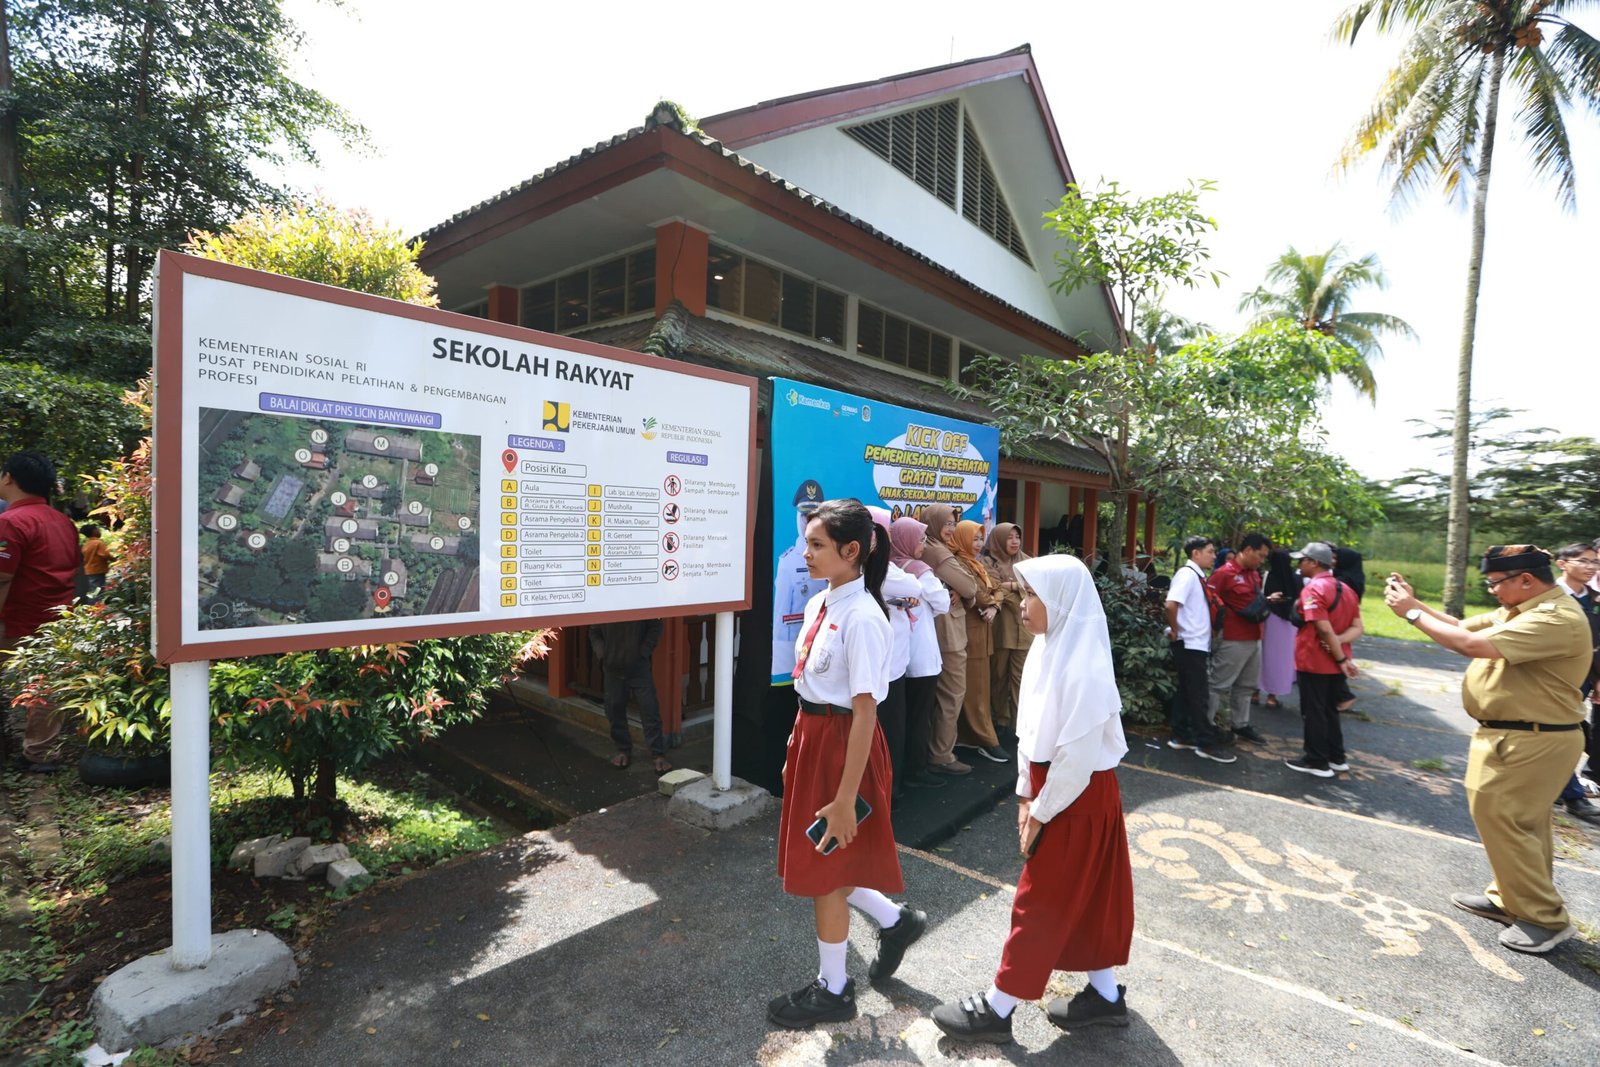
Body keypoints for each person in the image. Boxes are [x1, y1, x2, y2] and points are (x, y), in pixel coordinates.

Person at [930, 553, 1134, 1043]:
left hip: (1077, 795)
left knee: (1039, 901)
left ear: (1062, 602)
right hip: (1058, 790)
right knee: (1085, 896)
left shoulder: (1085, 667)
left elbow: (1077, 758)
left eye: (1033, 595)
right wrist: (1026, 794)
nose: (1022, 605)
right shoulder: (1048, 647)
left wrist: (1040, 811)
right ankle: (1105, 996)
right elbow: (1031, 733)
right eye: (1022, 594)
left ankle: (998, 1007)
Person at [1385, 545, 1590, 954]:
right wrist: (1414, 604)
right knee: (1520, 824)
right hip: (1516, 735)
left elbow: (1469, 645)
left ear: (1526, 580)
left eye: (1496, 583)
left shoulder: (1555, 617)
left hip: (1532, 738)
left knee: (1508, 822)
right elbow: (1461, 627)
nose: (1493, 590)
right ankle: (1509, 898)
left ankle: (1544, 919)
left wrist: (1411, 614)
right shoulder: (1523, 610)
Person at [769, 499, 924, 1028]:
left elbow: (864, 714)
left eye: (817, 545)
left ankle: (834, 988)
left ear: (852, 550)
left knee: (825, 872)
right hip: (815, 739)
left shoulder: (863, 617)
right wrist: (794, 751)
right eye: (808, 543)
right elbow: (810, 689)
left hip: (844, 747)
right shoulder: (822, 602)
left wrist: (843, 797)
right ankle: (896, 921)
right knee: (825, 860)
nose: (807, 553)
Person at [0, 452, 81, 772]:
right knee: (46, 686)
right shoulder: (63, 521)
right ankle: (40, 753)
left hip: (17, 621)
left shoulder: (10, 523)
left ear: (9, 478)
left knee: (39, 686)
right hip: (57, 620)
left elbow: (2, 578)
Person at [1285, 542, 1362, 779]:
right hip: (1335, 662)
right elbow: (1358, 627)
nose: (1299, 564)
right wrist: (1340, 651)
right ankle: (1336, 758)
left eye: (1302, 560)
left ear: (1314, 563)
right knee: (1329, 710)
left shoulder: (1314, 589)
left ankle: (1316, 760)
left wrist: (1338, 654)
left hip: (1314, 660)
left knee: (1313, 711)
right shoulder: (1346, 589)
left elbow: (1323, 628)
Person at [890, 515, 949, 791]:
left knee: (903, 717)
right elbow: (943, 603)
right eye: (921, 539)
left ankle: (903, 771)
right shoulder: (920, 570)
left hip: (900, 655)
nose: (923, 545)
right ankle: (917, 769)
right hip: (922, 655)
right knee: (920, 715)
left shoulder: (889, 567)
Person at [1164, 536, 1236, 764]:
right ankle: (1205, 742)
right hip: (1189, 643)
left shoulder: (1196, 576)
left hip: (1195, 643)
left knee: (1187, 691)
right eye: (1210, 552)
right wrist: (1176, 630)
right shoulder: (1187, 575)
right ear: (1195, 553)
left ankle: (1181, 735)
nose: (1214, 556)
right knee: (1199, 695)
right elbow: (1170, 604)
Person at [868, 506, 922, 799]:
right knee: (888, 733)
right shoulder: (882, 569)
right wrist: (906, 595)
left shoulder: (879, 568)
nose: (888, 535)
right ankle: (889, 794)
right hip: (887, 669)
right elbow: (914, 586)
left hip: (890, 664)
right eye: (884, 530)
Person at [1545, 545, 1600, 822]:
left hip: (1585, 677)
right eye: (1583, 561)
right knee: (1562, 734)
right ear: (1562, 564)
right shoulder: (1547, 595)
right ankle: (1574, 797)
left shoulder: (1594, 598)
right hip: (1552, 676)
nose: (1591, 567)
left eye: (1594, 562)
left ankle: (1560, 789)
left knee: (1567, 733)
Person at [923, 504, 978, 776]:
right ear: (932, 523)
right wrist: (966, 592)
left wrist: (964, 592)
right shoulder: (937, 551)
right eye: (945, 523)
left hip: (936, 631)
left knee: (938, 696)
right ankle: (942, 755)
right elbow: (970, 586)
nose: (951, 529)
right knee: (952, 694)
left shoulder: (930, 547)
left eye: (953, 524)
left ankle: (935, 751)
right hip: (948, 634)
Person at [1205, 533, 1272, 744]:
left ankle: (1240, 724)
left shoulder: (1254, 574)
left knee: (1246, 686)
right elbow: (1208, 603)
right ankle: (1205, 726)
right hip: (1233, 638)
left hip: (1254, 636)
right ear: (1248, 550)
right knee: (1217, 684)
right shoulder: (1224, 574)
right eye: (1260, 555)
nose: (1261, 560)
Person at [952, 519, 1005, 763]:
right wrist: (992, 602)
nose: (978, 543)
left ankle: (970, 736)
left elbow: (998, 589)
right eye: (973, 538)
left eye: (981, 538)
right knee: (976, 690)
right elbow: (979, 593)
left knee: (978, 688)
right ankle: (987, 740)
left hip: (983, 632)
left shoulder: (978, 563)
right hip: (970, 634)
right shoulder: (959, 563)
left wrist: (994, 606)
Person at [588, 620, 670, 773]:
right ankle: (623, 750)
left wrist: (644, 651)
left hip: (639, 667)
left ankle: (658, 754)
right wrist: (603, 653)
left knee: (650, 709)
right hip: (612, 667)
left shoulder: (640, 604)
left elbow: (656, 625)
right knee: (614, 709)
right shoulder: (605, 607)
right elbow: (594, 631)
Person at [771, 479, 829, 678]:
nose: (809, 522)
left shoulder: (833, 553)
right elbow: (781, 618)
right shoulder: (788, 562)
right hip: (794, 649)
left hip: (826, 643)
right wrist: (782, 664)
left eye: (815, 516)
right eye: (805, 516)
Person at [983, 522, 1030, 740]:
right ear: (999, 540)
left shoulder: (1028, 562)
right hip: (1001, 630)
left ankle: (1021, 723)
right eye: (1009, 537)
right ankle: (1001, 719)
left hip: (1025, 630)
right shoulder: (988, 562)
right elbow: (992, 589)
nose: (1014, 542)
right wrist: (1022, 590)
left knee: (1023, 679)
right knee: (999, 676)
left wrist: (1011, 586)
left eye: (1017, 537)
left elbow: (1037, 590)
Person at [1257, 548, 1301, 708]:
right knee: (1281, 660)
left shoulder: (1267, 576)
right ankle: (1272, 696)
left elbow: (1261, 596)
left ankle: (1255, 692)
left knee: (1263, 656)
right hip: (1288, 623)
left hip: (1270, 620)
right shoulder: (1296, 578)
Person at [1332, 546, 1368, 713]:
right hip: (1347, 621)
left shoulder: (1343, 580)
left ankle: (1344, 696)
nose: (1333, 561)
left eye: (1336, 559)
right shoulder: (1355, 577)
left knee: (1334, 658)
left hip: (1338, 622)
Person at [80, 524, 112, 603]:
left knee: (94, 590)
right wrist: (115, 559)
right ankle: (95, 607)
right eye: (97, 529)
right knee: (98, 591)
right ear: (94, 531)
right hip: (98, 570)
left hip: (90, 570)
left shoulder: (86, 544)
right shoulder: (98, 543)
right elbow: (106, 554)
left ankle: (93, 606)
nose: (99, 531)